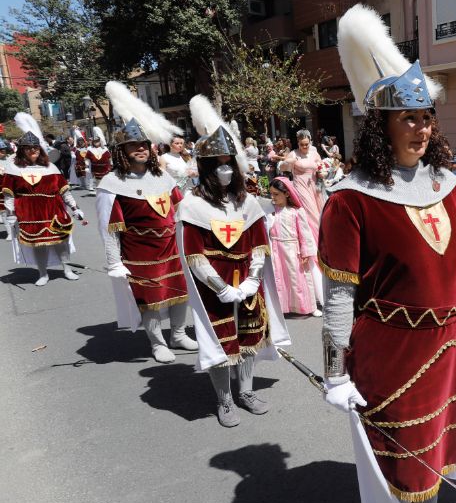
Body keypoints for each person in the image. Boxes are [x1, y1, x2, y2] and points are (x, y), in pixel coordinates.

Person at [317, 4, 456, 503]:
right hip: (389, 351)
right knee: (395, 448)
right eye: (407, 118)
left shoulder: (449, 183)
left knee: (441, 434)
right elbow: (337, 293)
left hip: (452, 340)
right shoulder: (351, 199)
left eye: (426, 116)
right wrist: (334, 369)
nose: (421, 128)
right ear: (381, 125)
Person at [177, 94, 290, 428]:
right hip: (216, 289)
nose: (225, 170)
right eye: (218, 164)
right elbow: (194, 253)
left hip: (247, 284)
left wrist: (254, 278)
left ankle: (246, 391)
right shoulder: (192, 205)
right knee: (221, 344)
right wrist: (221, 287)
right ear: (207, 169)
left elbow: (258, 243)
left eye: (230, 163)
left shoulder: (248, 203)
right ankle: (224, 400)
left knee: (249, 341)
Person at [96, 82, 196, 363]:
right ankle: (157, 342)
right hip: (140, 253)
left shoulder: (163, 178)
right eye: (133, 146)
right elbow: (110, 229)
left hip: (172, 247)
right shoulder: (113, 183)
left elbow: (182, 209)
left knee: (180, 291)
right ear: (122, 150)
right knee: (150, 299)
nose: (140, 149)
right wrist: (114, 262)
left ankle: (177, 333)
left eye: (143, 145)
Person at [2, 113, 88, 285]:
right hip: (29, 212)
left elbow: (64, 191)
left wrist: (75, 207)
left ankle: (67, 269)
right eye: (27, 148)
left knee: (60, 242)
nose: (32, 150)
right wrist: (10, 214)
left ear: (40, 149)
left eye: (35, 148)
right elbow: (9, 194)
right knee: (39, 244)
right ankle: (43, 274)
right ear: (22, 150)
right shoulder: (13, 169)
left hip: (53, 209)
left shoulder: (51, 167)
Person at [267, 176, 321, 317]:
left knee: (297, 279)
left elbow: (305, 234)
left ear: (286, 193)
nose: (273, 197)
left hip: (292, 250)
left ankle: (308, 306)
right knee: (279, 279)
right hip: (275, 249)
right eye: (271, 194)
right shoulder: (270, 211)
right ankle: (281, 307)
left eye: (276, 194)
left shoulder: (296, 212)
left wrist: (306, 252)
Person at [282, 130, 324, 239]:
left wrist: (323, 173)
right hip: (301, 186)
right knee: (311, 213)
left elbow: (323, 167)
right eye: (302, 144)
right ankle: (316, 241)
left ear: (310, 142)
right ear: (298, 143)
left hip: (315, 187)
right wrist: (288, 161)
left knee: (319, 212)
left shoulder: (314, 153)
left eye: (307, 144)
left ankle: (323, 238)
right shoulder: (293, 154)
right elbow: (282, 168)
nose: (305, 146)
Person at [83, 128, 112, 194]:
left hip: (105, 168)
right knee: (97, 182)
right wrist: (87, 167)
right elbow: (87, 159)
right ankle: (99, 192)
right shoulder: (90, 149)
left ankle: (106, 191)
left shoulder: (105, 148)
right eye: (95, 141)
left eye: (98, 141)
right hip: (95, 169)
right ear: (93, 142)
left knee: (106, 181)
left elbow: (109, 157)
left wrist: (111, 165)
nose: (96, 143)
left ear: (100, 141)